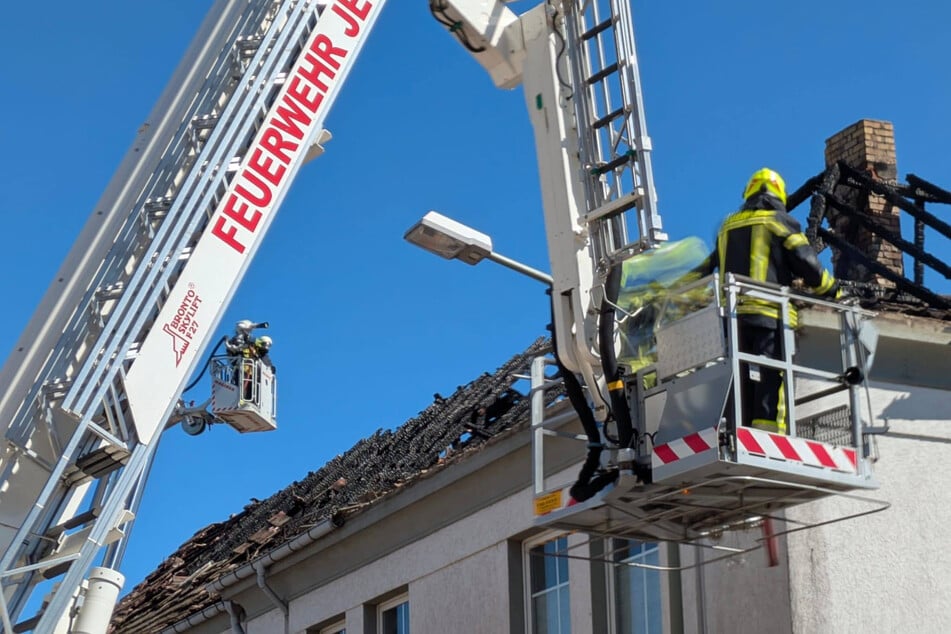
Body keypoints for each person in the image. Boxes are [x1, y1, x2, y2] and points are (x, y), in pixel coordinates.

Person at [698, 168, 839, 434]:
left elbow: (707, 266)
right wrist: (835, 294)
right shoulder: (777, 221)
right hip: (770, 318)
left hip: (733, 321)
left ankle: (740, 430)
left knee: (740, 378)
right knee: (772, 379)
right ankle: (770, 435)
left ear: (749, 192)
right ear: (779, 195)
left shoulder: (728, 226)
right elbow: (808, 265)